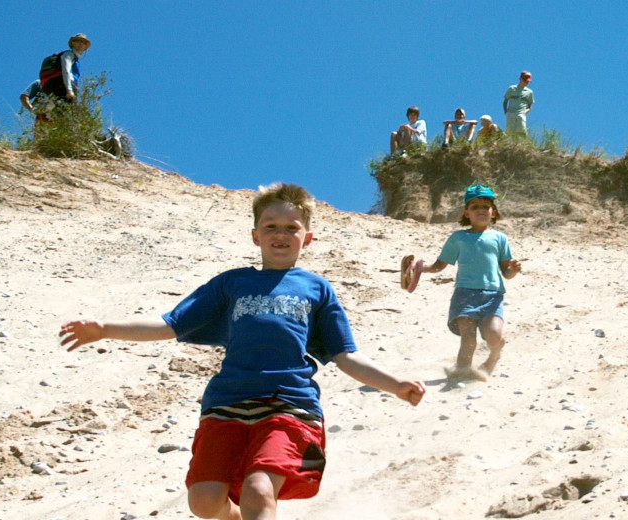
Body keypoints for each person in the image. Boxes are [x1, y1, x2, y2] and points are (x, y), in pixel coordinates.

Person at [59, 183, 426, 520]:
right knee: (203, 502)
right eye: (270, 226)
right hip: (226, 405)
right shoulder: (231, 283)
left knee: (259, 488)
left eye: (291, 227)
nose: (280, 234)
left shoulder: (317, 288)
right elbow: (171, 324)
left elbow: (345, 354)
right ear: (255, 235)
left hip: (291, 406)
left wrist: (394, 384)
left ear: (307, 238)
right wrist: (105, 329)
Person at [409, 185, 521, 381]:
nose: (481, 210)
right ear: (466, 213)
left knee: (495, 335)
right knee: (468, 338)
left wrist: (514, 269)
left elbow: (507, 273)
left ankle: (493, 357)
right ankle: (461, 373)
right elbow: (439, 265)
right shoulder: (458, 238)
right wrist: (421, 268)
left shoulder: (499, 238)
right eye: (475, 206)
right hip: (464, 294)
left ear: (493, 212)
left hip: (492, 295)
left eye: (485, 206)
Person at [40, 33, 91, 102]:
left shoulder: (75, 60)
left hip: (50, 87)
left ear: (85, 47)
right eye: (78, 41)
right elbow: (66, 70)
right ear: (73, 43)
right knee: (71, 110)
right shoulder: (68, 54)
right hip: (63, 85)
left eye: (83, 42)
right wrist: (69, 90)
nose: (80, 44)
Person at [503, 71, 534, 136]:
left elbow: (530, 106)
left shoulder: (529, 92)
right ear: (520, 79)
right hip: (510, 113)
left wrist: (524, 112)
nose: (526, 83)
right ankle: (512, 144)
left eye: (528, 81)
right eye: (525, 80)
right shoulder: (512, 89)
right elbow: (505, 101)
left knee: (523, 131)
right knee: (509, 132)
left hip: (521, 113)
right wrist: (506, 112)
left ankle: (528, 145)